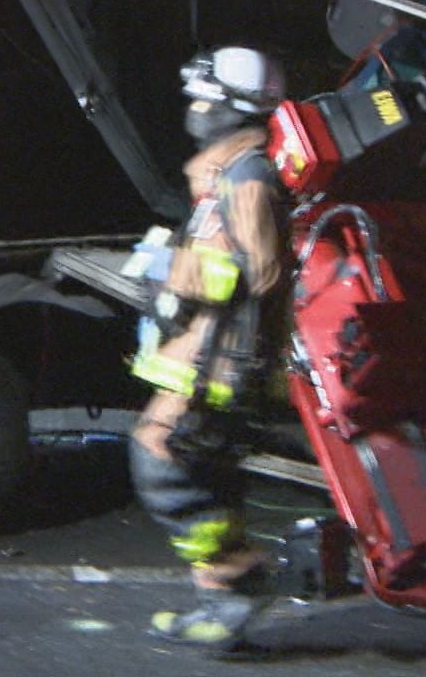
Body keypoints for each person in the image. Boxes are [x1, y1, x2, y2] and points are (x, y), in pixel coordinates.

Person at [129, 47, 290, 649]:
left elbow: (262, 271)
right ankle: (224, 601)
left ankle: (235, 577)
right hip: (204, 356)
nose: (194, 109)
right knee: (208, 476)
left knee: (159, 457)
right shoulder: (229, 172)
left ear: (232, 107)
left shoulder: (250, 177)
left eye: (205, 98)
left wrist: (174, 266)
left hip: (222, 362)